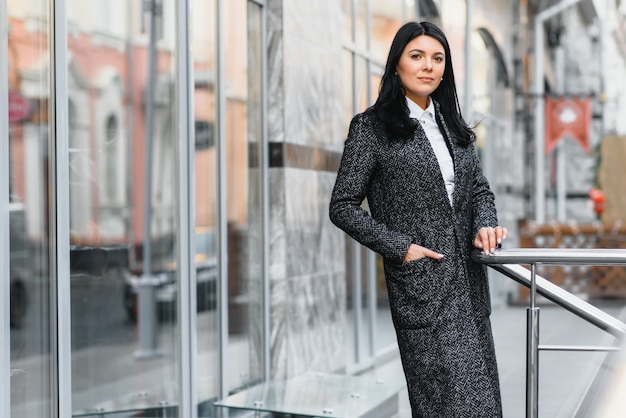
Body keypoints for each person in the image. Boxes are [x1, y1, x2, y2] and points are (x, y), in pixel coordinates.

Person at [329, 21, 507, 417]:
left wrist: (485, 223)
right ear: (397, 65)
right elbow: (341, 205)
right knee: (450, 407)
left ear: (445, 69)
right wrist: (401, 248)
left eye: (437, 58)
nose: (427, 66)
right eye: (417, 56)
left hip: (470, 290)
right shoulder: (371, 128)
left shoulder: (455, 128)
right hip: (423, 291)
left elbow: (479, 190)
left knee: (483, 406)